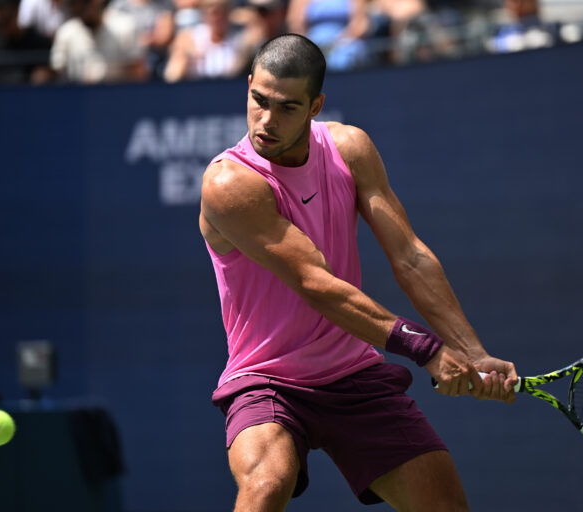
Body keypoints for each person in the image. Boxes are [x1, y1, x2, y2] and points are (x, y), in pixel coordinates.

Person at [199, 33, 517, 511]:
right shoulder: (229, 183)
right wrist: (426, 347)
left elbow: (409, 256)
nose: (266, 121)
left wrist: (472, 352)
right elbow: (316, 284)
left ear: (316, 105)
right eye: (258, 101)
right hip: (267, 378)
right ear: (248, 86)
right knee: (266, 485)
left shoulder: (350, 150)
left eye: (287, 108)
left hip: (352, 373)